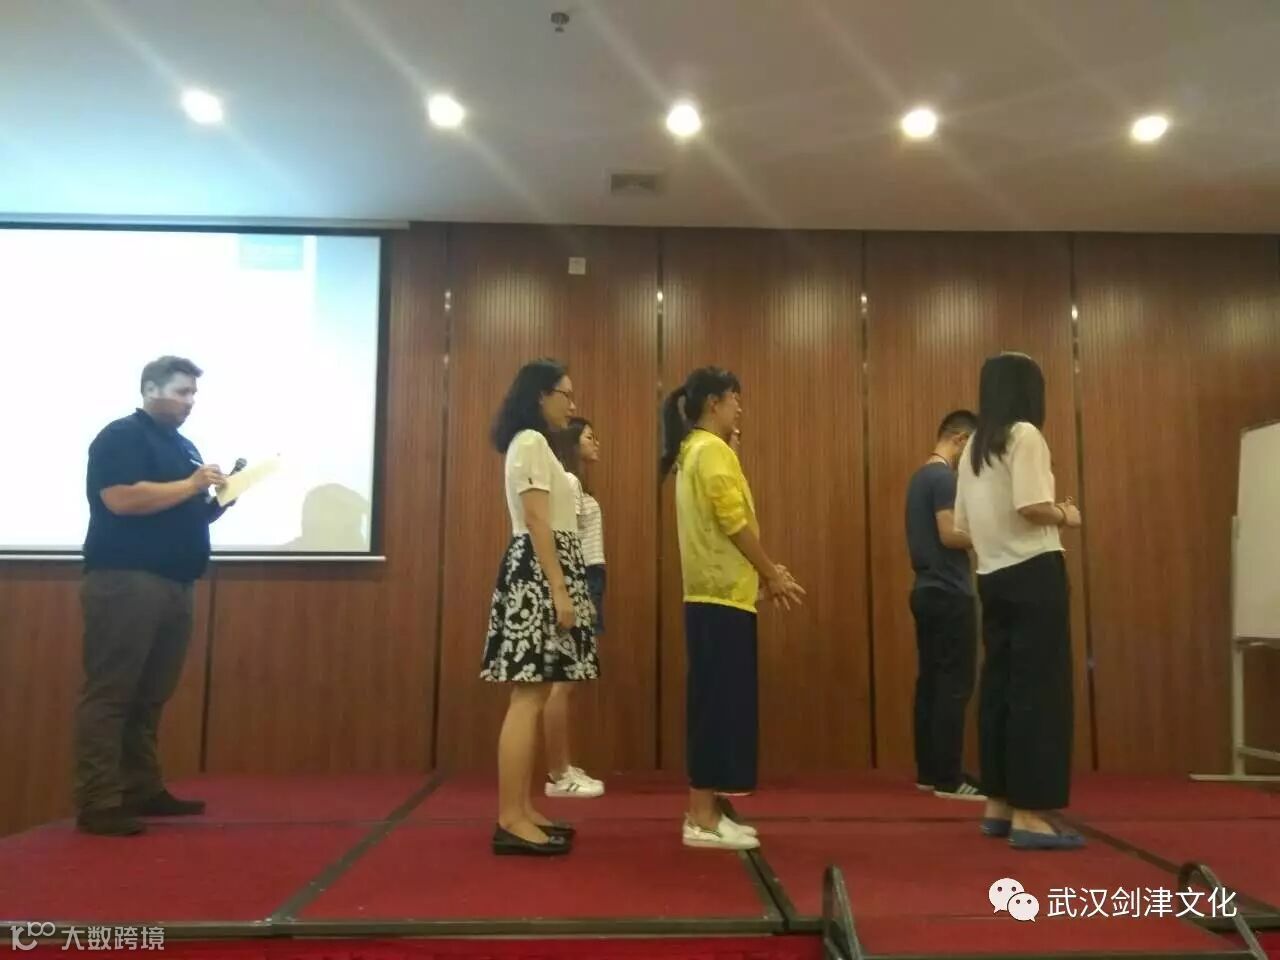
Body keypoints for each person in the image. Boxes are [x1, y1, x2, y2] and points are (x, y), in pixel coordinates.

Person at [76, 356, 229, 836]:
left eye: (193, 394)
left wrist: (219, 499)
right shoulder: (121, 436)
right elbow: (122, 499)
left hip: (176, 583)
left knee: (150, 695)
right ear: (150, 389)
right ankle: (99, 801)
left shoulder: (184, 446)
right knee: (112, 693)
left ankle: (141, 788)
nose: (190, 402)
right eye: (182, 392)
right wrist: (191, 484)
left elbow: (187, 511)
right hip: (127, 581)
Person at [660, 366, 805, 851]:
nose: (740, 408)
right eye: (734, 399)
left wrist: (760, 576)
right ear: (714, 403)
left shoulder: (695, 450)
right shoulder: (711, 451)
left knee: (718, 706)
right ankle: (700, 817)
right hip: (718, 601)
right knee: (717, 709)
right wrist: (771, 573)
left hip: (717, 596)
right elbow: (734, 523)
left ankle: (710, 811)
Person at [954, 352, 1084, 851]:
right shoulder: (1025, 434)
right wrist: (1066, 514)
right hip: (1034, 574)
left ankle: (1000, 805)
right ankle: (1031, 815)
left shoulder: (972, 448)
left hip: (991, 576)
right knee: (1039, 692)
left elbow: (963, 526)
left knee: (1001, 690)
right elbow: (1031, 506)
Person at [482, 359, 597, 856]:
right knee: (528, 695)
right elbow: (535, 518)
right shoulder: (529, 441)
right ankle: (511, 817)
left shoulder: (536, 444)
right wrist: (558, 588)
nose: (572, 404)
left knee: (537, 690)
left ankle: (522, 809)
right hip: (538, 570)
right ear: (540, 395)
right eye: (565, 394)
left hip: (548, 566)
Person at [905, 409, 985, 801]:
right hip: (950, 593)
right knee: (955, 684)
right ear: (960, 440)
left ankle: (930, 771)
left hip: (925, 590)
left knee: (932, 683)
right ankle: (949, 778)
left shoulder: (919, 479)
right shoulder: (943, 478)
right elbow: (950, 534)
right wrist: (988, 531)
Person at [543, 416, 606, 799]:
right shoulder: (567, 482)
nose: (595, 442)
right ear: (571, 441)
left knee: (569, 679)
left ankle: (563, 766)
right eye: (588, 436)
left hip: (590, 577)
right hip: (580, 576)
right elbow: (565, 542)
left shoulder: (575, 483)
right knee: (562, 681)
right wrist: (576, 591)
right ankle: (558, 772)